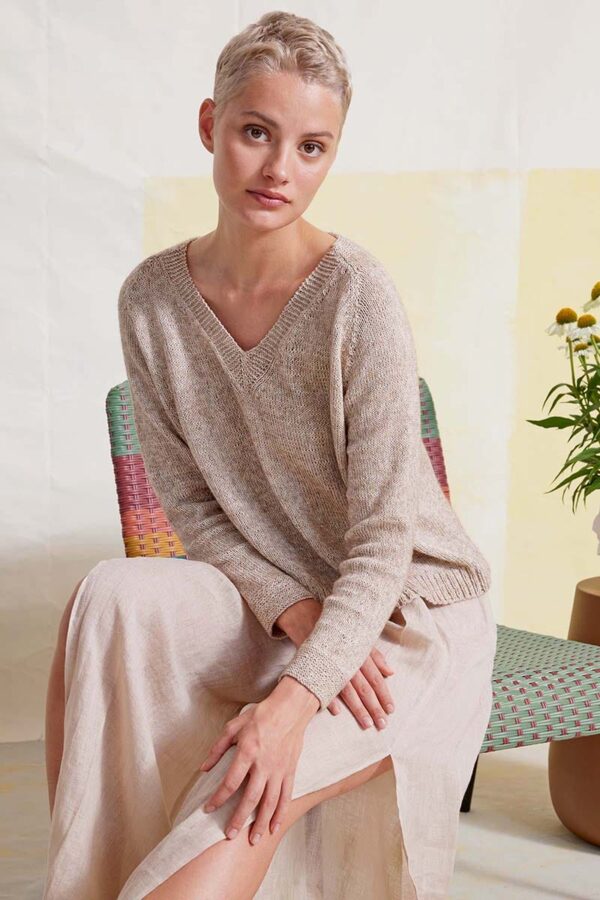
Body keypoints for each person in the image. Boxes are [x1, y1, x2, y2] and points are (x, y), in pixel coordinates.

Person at [43, 11, 497, 899]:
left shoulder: (356, 296)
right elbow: (192, 505)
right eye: (257, 132)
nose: (281, 168)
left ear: (332, 155)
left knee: (243, 789)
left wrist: (294, 702)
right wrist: (295, 612)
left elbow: (383, 540)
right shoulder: (152, 301)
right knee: (108, 597)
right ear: (210, 125)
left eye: (311, 147)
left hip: (408, 614)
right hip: (284, 600)